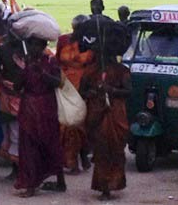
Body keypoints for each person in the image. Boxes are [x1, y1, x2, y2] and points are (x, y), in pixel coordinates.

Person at [13, 36, 66, 198]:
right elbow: (17, 87)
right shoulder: (26, 63)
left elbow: (58, 82)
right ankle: (30, 185)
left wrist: (42, 73)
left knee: (50, 142)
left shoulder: (50, 61)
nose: (33, 48)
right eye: (31, 45)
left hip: (46, 107)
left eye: (37, 45)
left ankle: (60, 181)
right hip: (29, 107)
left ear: (43, 46)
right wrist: (23, 69)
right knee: (29, 146)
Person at [80, 54, 131, 201]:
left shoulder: (122, 70)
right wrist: (91, 93)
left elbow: (128, 91)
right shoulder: (90, 71)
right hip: (97, 114)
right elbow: (82, 91)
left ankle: (114, 182)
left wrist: (112, 90)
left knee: (115, 148)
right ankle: (104, 187)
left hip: (115, 113)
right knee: (101, 150)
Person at [56, 14, 94, 174]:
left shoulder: (90, 43)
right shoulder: (63, 40)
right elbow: (57, 61)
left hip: (82, 86)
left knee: (80, 124)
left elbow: (93, 66)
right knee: (66, 124)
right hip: (65, 85)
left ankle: (82, 157)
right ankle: (72, 161)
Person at [0, 32, 25, 180]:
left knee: (20, 132)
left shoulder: (29, 48)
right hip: (6, 94)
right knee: (9, 131)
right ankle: (16, 167)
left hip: (25, 95)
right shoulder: (2, 50)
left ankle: (22, 168)